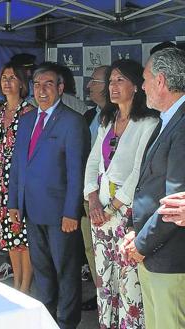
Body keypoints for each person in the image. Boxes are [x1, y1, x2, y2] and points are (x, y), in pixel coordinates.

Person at [8, 62, 89, 329]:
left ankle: (67, 323)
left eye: (48, 84)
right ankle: (48, 319)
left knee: (66, 272)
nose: (41, 91)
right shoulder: (27, 119)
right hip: (32, 211)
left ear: (61, 88)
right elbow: (18, 165)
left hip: (60, 215)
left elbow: (77, 172)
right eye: (37, 85)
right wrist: (13, 203)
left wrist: (71, 212)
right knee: (42, 271)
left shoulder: (72, 122)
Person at [84, 59, 159, 328]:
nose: (113, 87)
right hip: (100, 213)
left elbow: (139, 171)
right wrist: (93, 198)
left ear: (137, 86)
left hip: (126, 216)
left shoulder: (148, 123)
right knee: (105, 283)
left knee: (129, 285)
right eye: (111, 81)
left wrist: (112, 208)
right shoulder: (108, 118)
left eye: (120, 81)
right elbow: (93, 162)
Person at [121, 47, 185, 329]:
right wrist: (138, 233)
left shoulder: (181, 126)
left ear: (160, 81)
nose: (142, 86)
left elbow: (175, 203)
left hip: (169, 258)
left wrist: (141, 243)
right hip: (156, 252)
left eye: (145, 79)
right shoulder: (169, 121)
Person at [0, 62, 35, 293]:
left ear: (21, 83)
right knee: (9, 234)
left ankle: (25, 286)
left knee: (22, 234)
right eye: (4, 77)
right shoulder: (0, 112)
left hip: (19, 178)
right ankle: (17, 280)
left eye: (12, 77)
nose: (7, 82)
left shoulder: (28, 112)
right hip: (1, 179)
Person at [80, 65, 109, 312]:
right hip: (88, 194)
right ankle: (101, 295)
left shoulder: (124, 117)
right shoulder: (90, 116)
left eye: (95, 81)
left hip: (111, 200)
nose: (88, 86)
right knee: (90, 248)